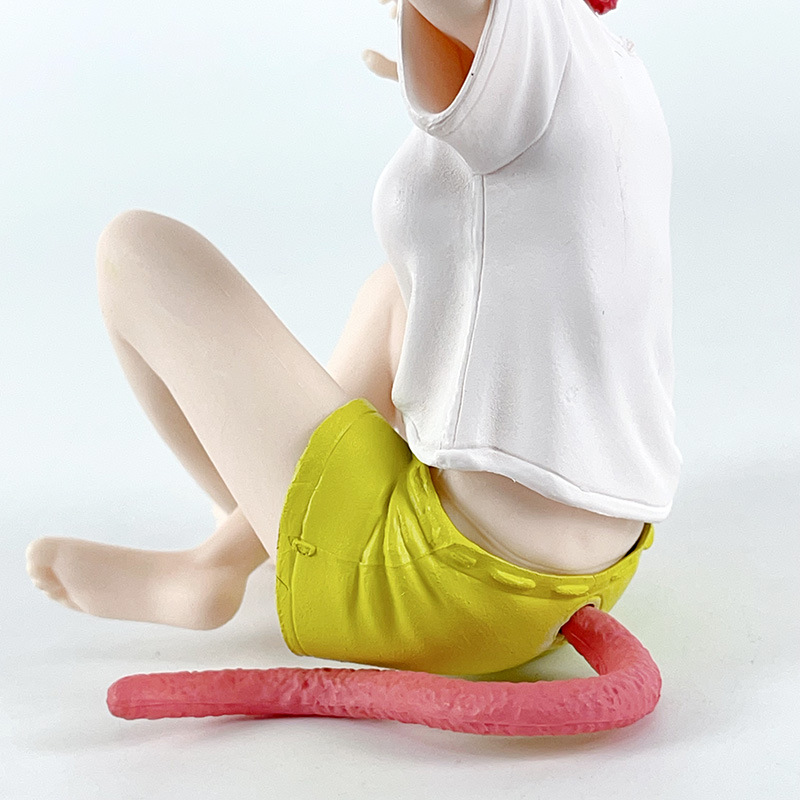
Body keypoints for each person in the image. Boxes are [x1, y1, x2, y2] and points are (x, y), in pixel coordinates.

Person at [27, 0, 679, 676]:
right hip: (587, 579)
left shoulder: (531, 28)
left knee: (134, 251)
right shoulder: (609, 65)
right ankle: (240, 542)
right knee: (392, 292)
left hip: (449, 591)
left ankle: (213, 571)